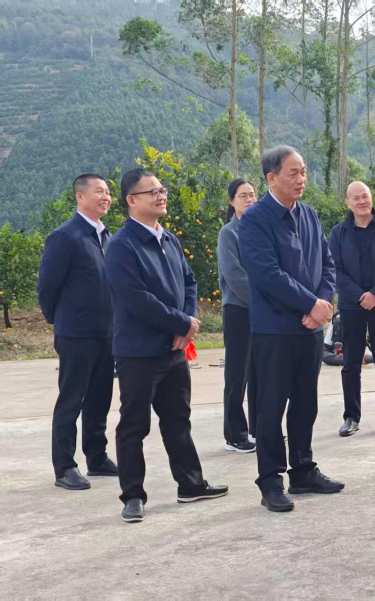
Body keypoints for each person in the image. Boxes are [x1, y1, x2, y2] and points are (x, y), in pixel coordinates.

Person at [105, 168, 228, 523]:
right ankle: (132, 496)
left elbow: (189, 282)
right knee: (134, 424)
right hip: (139, 351)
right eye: (153, 192)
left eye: (162, 189)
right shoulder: (122, 245)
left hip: (174, 349)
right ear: (131, 200)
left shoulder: (169, 239)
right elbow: (135, 298)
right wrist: (180, 323)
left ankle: (190, 484)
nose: (161, 196)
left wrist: (187, 323)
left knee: (177, 419)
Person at [238, 145, 343, 514]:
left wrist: (321, 304)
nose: (301, 179)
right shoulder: (255, 219)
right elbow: (266, 274)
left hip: (309, 329)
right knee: (270, 407)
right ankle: (270, 481)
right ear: (271, 178)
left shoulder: (308, 214)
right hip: (275, 330)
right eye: (293, 173)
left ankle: (302, 470)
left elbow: (327, 264)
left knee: (305, 403)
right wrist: (309, 305)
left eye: (303, 172)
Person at [37, 173, 118, 490]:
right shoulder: (65, 236)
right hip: (76, 333)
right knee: (71, 400)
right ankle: (65, 467)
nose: (106, 196)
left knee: (100, 398)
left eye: (108, 191)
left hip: (107, 333)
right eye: (99, 191)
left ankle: (97, 458)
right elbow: (47, 286)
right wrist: (59, 320)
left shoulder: (107, 236)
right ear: (80, 196)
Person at [329, 181, 375, 437]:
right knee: (351, 364)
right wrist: (361, 296)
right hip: (352, 306)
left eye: (365, 196)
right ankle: (351, 417)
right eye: (356, 198)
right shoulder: (338, 233)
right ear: (347, 203)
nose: (362, 201)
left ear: (371, 198)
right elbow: (336, 270)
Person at [217, 179, 258, 453]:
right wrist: (262, 301)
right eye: (243, 196)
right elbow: (234, 276)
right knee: (237, 374)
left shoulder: (260, 229)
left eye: (252, 195)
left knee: (259, 372)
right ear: (232, 202)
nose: (249, 199)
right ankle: (235, 435)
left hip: (262, 310)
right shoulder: (228, 233)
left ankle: (259, 427)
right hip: (239, 309)